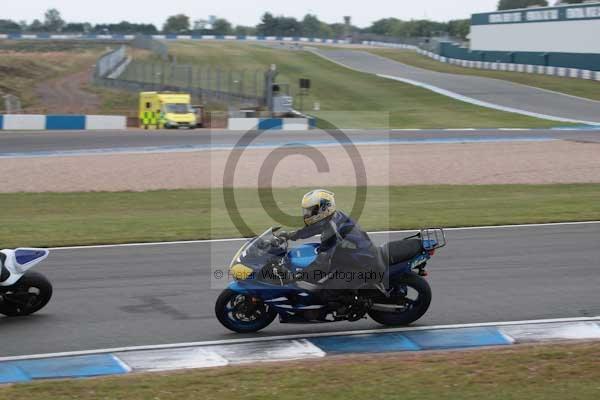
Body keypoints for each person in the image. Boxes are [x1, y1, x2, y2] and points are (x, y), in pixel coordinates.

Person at [277, 189, 383, 291]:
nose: (307, 214)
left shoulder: (332, 230)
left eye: (311, 210)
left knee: (327, 291)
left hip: (362, 266)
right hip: (355, 258)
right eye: (307, 211)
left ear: (323, 209)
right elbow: (313, 229)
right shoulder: (332, 217)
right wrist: (289, 235)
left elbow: (322, 263)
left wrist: (297, 276)